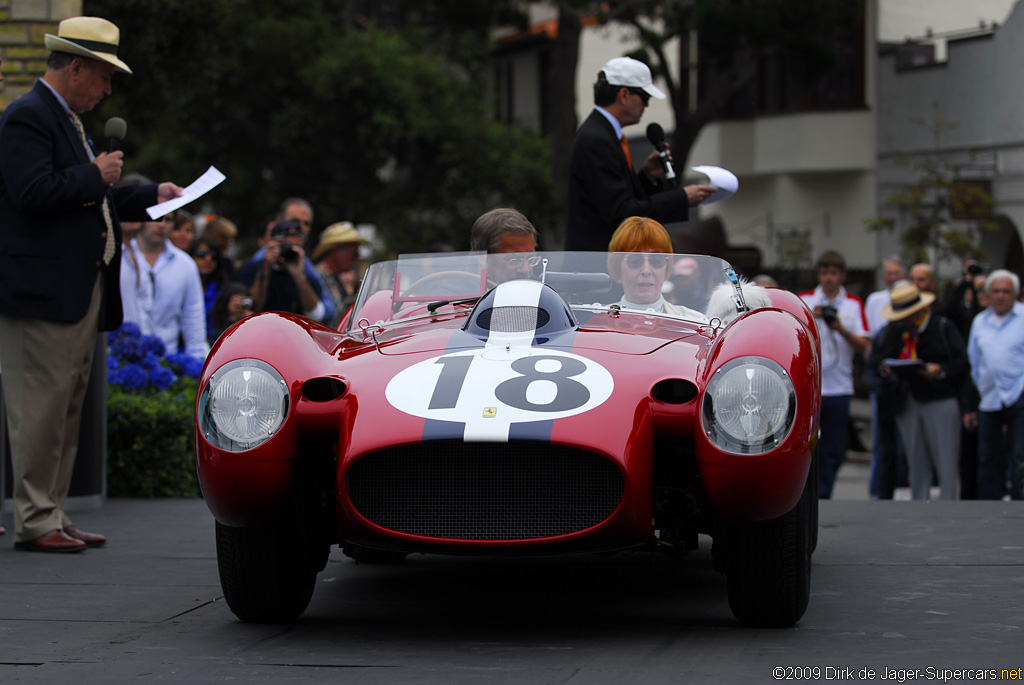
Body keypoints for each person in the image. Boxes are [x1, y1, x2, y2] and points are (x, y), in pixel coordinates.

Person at [0, 17, 182, 552]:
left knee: (65, 406)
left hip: (74, 290)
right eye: (102, 78)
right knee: (40, 409)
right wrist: (96, 174)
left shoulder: (65, 122)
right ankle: (36, 518)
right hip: (41, 292)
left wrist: (152, 195)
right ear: (75, 67)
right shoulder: (27, 118)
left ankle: (51, 511)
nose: (106, 91)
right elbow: (32, 193)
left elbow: (89, 200)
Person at [565, 57, 716, 251]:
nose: (646, 105)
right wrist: (682, 198)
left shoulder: (602, 133)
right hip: (597, 266)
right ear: (624, 94)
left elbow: (617, 202)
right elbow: (620, 213)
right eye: (645, 97)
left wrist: (647, 176)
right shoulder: (598, 138)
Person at [875, 283, 968, 500]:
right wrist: (888, 370)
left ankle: (949, 508)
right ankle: (919, 507)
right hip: (907, 400)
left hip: (940, 399)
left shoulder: (943, 326)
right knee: (915, 463)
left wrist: (940, 370)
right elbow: (880, 358)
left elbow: (962, 362)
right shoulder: (897, 330)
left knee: (946, 461)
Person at [799, 250, 870, 499]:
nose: (829, 278)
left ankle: (824, 495)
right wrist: (811, 318)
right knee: (808, 447)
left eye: (833, 273)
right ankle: (808, 495)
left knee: (835, 449)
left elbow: (865, 346)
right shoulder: (805, 300)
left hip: (840, 388)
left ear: (842, 275)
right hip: (813, 389)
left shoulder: (853, 304)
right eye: (825, 273)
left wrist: (839, 327)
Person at [965, 270, 1024, 500]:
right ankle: (989, 507)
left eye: (1006, 291)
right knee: (988, 456)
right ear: (988, 294)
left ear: (1015, 294)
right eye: (996, 291)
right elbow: (974, 360)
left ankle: (1020, 504)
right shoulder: (980, 321)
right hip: (989, 396)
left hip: (1019, 393)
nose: (1001, 296)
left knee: (1019, 454)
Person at [121, 215, 209, 359]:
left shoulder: (185, 264)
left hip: (166, 360)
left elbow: (193, 316)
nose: (161, 225)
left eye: (168, 220)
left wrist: (196, 359)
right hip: (122, 358)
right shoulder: (121, 257)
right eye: (155, 218)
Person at [863, 255, 909, 499]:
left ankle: (903, 487)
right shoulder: (884, 333)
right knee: (884, 445)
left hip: (909, 395)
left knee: (905, 446)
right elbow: (873, 360)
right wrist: (878, 383)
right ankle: (880, 491)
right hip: (885, 394)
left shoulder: (915, 332)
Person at [606, 217, 706, 320]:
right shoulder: (597, 323)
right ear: (617, 266)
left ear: (667, 266)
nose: (646, 271)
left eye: (656, 260)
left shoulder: (695, 322)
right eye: (635, 261)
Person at [238, 219, 332, 322]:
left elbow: (316, 316)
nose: (288, 252)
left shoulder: (307, 274)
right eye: (284, 247)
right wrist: (265, 269)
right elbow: (250, 310)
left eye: (294, 247)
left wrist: (298, 275)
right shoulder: (252, 268)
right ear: (271, 244)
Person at [312, 222, 369, 328]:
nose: (357, 259)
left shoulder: (334, 278)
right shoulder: (317, 278)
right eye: (354, 253)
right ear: (335, 251)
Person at [471, 208, 539, 283]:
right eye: (514, 260)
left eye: (531, 259)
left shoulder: (542, 288)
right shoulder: (459, 289)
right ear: (482, 257)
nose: (526, 270)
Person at [189, 235, 230, 336]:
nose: (208, 259)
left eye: (213, 255)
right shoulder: (181, 286)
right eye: (201, 254)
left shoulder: (223, 289)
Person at [864, 256, 907, 334]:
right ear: (883, 276)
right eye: (889, 273)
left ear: (904, 275)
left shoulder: (911, 298)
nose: (893, 277)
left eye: (897, 273)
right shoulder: (874, 299)